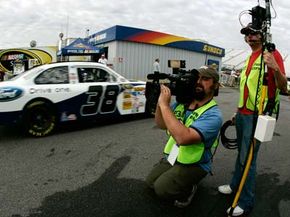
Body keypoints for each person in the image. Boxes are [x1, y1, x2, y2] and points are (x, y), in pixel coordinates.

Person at [218, 23, 287, 216]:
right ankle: (234, 186)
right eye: (247, 34)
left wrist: (274, 67)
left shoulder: (272, 55)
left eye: (253, 34)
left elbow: (283, 87)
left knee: (248, 158)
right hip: (243, 113)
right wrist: (238, 111)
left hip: (258, 115)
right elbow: (248, 88)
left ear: (263, 35)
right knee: (242, 154)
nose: (249, 37)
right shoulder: (251, 57)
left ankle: (245, 201)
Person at [146, 66, 223, 208]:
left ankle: (189, 189)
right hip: (176, 156)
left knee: (162, 189)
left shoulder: (213, 115)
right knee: (150, 182)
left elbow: (183, 138)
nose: (199, 82)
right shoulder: (183, 103)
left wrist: (165, 106)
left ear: (215, 85)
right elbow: (162, 124)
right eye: (197, 78)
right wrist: (159, 103)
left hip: (196, 163)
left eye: (205, 79)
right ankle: (179, 178)